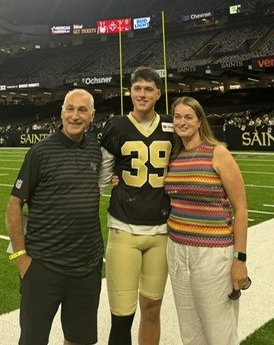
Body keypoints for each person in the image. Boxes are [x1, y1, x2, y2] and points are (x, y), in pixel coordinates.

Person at [5, 89, 104, 345]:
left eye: (82, 110)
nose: (75, 115)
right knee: (33, 339)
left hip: (87, 267)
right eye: (70, 109)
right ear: (61, 113)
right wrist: (20, 257)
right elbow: (14, 204)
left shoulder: (96, 150)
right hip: (44, 266)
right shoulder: (40, 152)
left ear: (92, 116)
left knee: (79, 339)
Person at [164, 96, 249, 345]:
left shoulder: (218, 153)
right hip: (178, 250)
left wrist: (239, 259)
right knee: (190, 332)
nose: (182, 122)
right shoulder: (175, 156)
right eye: (177, 117)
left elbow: (241, 209)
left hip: (213, 253)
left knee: (219, 332)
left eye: (188, 117)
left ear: (200, 121)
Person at [99, 66, 174, 345]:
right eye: (137, 88)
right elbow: (102, 177)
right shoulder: (116, 125)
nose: (142, 94)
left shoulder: (170, 125)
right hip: (124, 229)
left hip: (161, 231)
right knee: (121, 316)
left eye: (148, 89)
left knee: (152, 309)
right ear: (130, 92)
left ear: (158, 93)